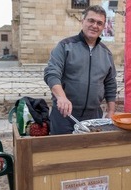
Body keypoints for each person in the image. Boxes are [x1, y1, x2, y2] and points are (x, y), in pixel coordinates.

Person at [44, 5, 117, 134]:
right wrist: (61, 97)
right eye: (91, 20)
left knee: (89, 153)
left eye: (99, 23)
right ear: (82, 21)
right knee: (61, 152)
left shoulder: (106, 54)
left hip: (94, 117)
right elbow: (51, 73)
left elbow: (110, 84)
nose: (95, 25)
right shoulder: (65, 46)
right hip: (65, 115)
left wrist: (111, 112)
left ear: (103, 27)